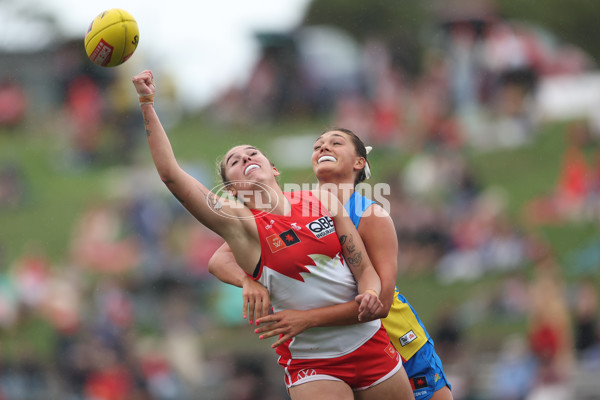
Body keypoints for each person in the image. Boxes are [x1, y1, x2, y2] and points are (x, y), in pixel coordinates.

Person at [131, 70, 414, 400]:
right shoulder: (241, 225)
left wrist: (368, 292)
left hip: (370, 344)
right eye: (234, 162)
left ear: (273, 167)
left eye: (251, 152)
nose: (246, 158)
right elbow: (171, 176)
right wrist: (147, 102)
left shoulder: (322, 200)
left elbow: (364, 269)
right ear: (233, 190)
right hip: (314, 364)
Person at [209, 128, 452, 400]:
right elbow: (219, 258)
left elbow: (380, 305)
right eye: (317, 146)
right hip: (333, 349)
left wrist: (306, 319)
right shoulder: (299, 207)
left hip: (396, 333)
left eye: (336, 143)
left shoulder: (370, 214)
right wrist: (248, 281)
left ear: (359, 162)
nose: (324, 148)